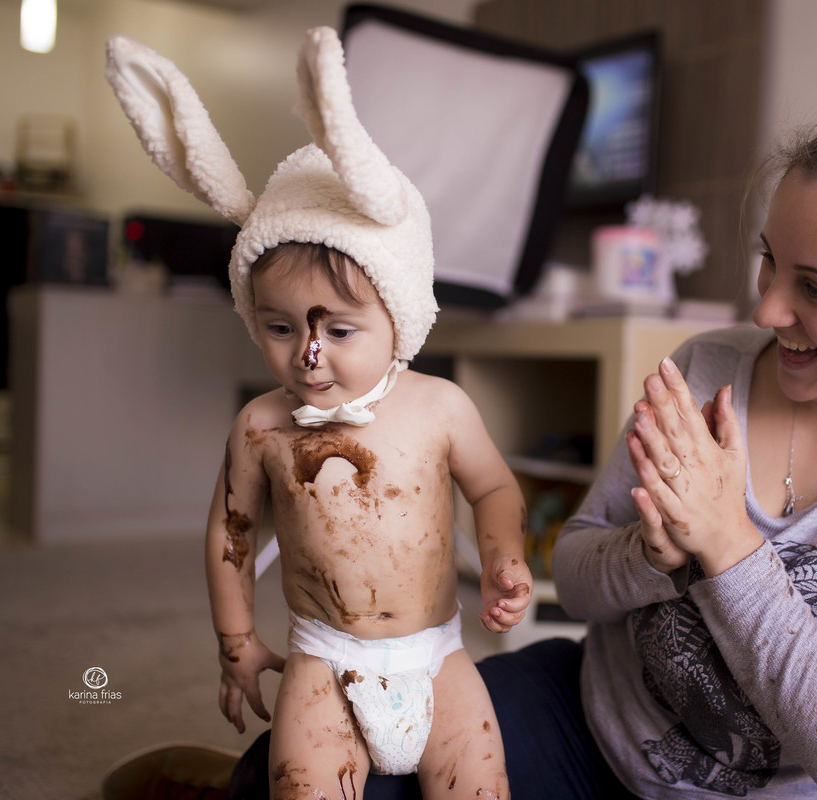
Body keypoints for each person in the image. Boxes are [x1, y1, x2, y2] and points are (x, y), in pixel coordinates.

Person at [227, 108, 817, 799]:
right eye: (769, 260)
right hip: (584, 718)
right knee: (280, 771)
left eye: (816, 288)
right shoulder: (708, 368)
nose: (767, 303)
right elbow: (574, 577)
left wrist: (728, 547)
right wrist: (651, 555)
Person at [104, 28, 531, 800]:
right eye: (280, 327)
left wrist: (504, 556)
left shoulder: (441, 406)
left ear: (399, 317)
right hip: (323, 660)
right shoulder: (260, 427)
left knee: (481, 784)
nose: (308, 354)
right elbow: (230, 533)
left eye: (338, 330)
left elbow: (494, 489)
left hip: (437, 659)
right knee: (298, 784)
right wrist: (236, 640)